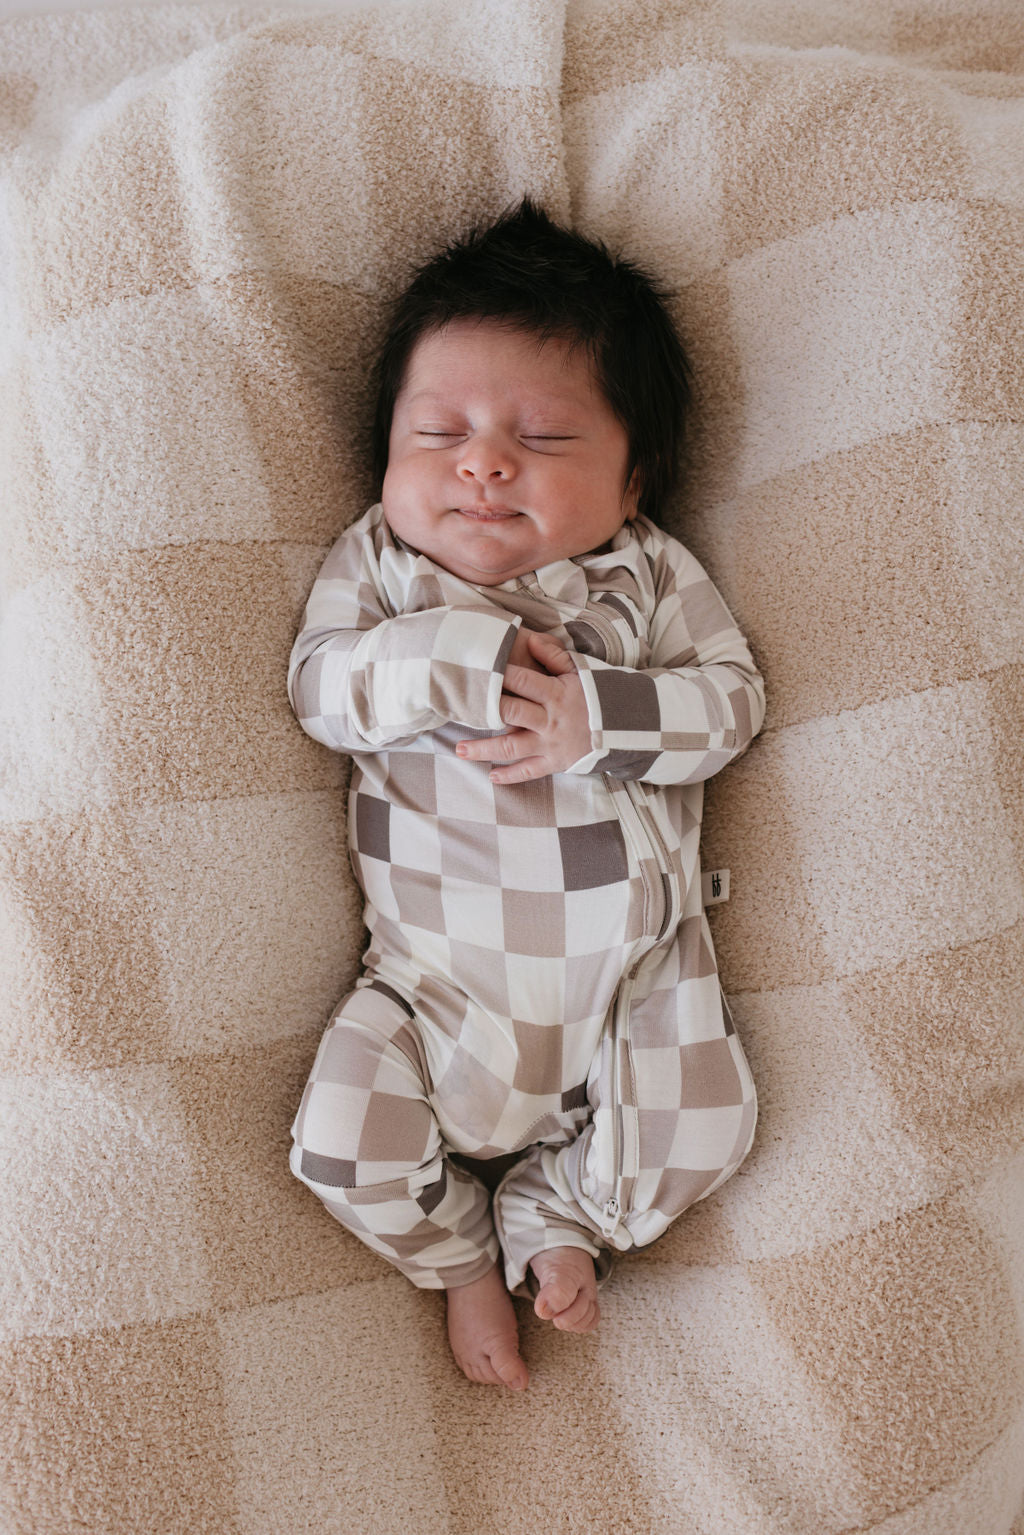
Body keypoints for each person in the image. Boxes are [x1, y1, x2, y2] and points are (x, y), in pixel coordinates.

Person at [287, 199, 765, 1391]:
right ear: (386, 457)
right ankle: (455, 1251)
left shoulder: (644, 571)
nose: (483, 460)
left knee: (703, 1123)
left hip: (633, 975)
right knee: (337, 1144)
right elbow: (320, 691)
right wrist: (443, 655)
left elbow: (734, 701)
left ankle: (560, 1208)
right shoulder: (384, 568)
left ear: (634, 474)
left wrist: (599, 714)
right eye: (438, 430)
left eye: (541, 437)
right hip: (425, 987)